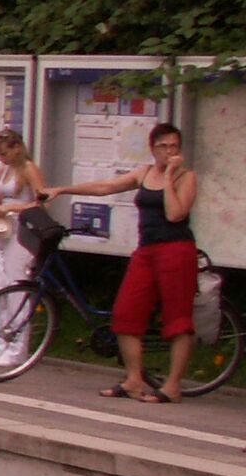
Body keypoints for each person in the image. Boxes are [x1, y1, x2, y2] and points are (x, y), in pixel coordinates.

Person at [42, 123, 200, 402]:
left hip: (176, 250)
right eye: (163, 146)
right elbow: (106, 187)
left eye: (174, 146)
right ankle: (133, 380)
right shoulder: (144, 173)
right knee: (126, 314)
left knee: (178, 319)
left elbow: (175, 214)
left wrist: (169, 176)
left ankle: (172, 386)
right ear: (152, 148)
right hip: (147, 251)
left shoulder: (186, 177)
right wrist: (63, 189)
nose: (168, 151)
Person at [0, 128, 49, 369]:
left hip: (23, 232)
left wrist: (12, 209)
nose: (1, 158)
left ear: (17, 148)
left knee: (17, 288)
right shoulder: (4, 169)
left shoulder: (28, 169)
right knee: (0, 287)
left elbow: (42, 202)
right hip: (3, 230)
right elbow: (2, 198)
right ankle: (2, 345)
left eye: (4, 153)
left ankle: (17, 349)